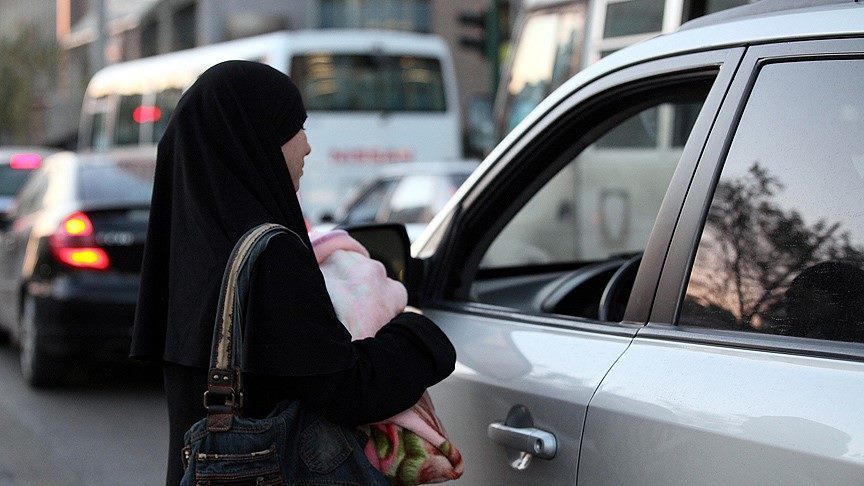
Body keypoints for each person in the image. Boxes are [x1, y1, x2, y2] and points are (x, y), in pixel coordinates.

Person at [130, 60, 457, 485]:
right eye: (295, 128)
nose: (306, 146)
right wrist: (418, 333)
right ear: (254, 139)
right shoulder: (270, 257)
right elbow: (348, 391)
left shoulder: (190, 249)